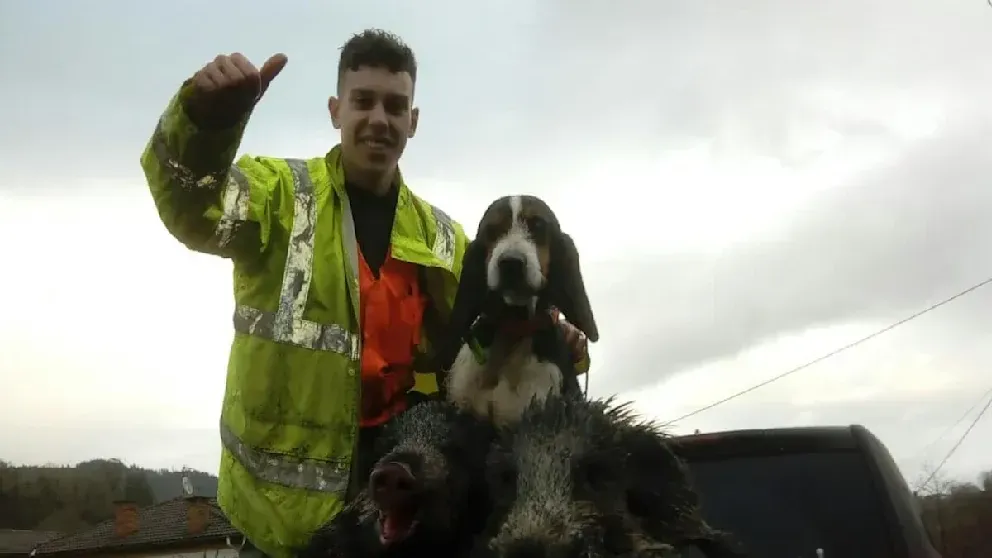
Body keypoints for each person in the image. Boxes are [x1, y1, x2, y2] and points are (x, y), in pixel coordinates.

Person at [139, 30, 591, 558]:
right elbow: (193, 211)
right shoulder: (279, 196)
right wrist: (203, 124)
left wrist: (565, 336)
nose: (379, 118)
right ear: (336, 110)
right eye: (363, 101)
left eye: (395, 106)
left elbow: (496, 324)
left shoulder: (446, 240)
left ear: (412, 122)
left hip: (397, 517)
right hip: (279, 530)